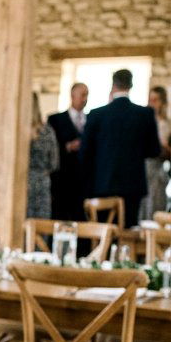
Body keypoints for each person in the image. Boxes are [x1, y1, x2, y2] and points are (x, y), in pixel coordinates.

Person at [81, 68, 162, 228]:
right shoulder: (144, 114)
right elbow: (154, 150)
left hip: (103, 184)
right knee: (128, 233)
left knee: (103, 231)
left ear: (113, 85)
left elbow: (85, 154)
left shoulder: (97, 114)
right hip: (132, 185)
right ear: (131, 85)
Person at [48, 82, 88, 220]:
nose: (85, 99)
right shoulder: (55, 119)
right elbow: (50, 148)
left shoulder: (90, 120)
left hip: (82, 180)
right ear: (72, 96)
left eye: (86, 95)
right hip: (62, 179)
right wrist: (67, 147)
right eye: (82, 95)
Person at [28, 92, 60, 219]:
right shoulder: (47, 131)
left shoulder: (15, 131)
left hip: (19, 183)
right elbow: (54, 163)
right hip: (41, 184)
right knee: (39, 228)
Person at [142, 85, 170, 219]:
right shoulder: (142, 121)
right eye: (150, 99)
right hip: (141, 170)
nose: (151, 103)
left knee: (154, 207)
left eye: (155, 100)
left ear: (162, 102)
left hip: (157, 172)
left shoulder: (166, 124)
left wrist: (163, 148)